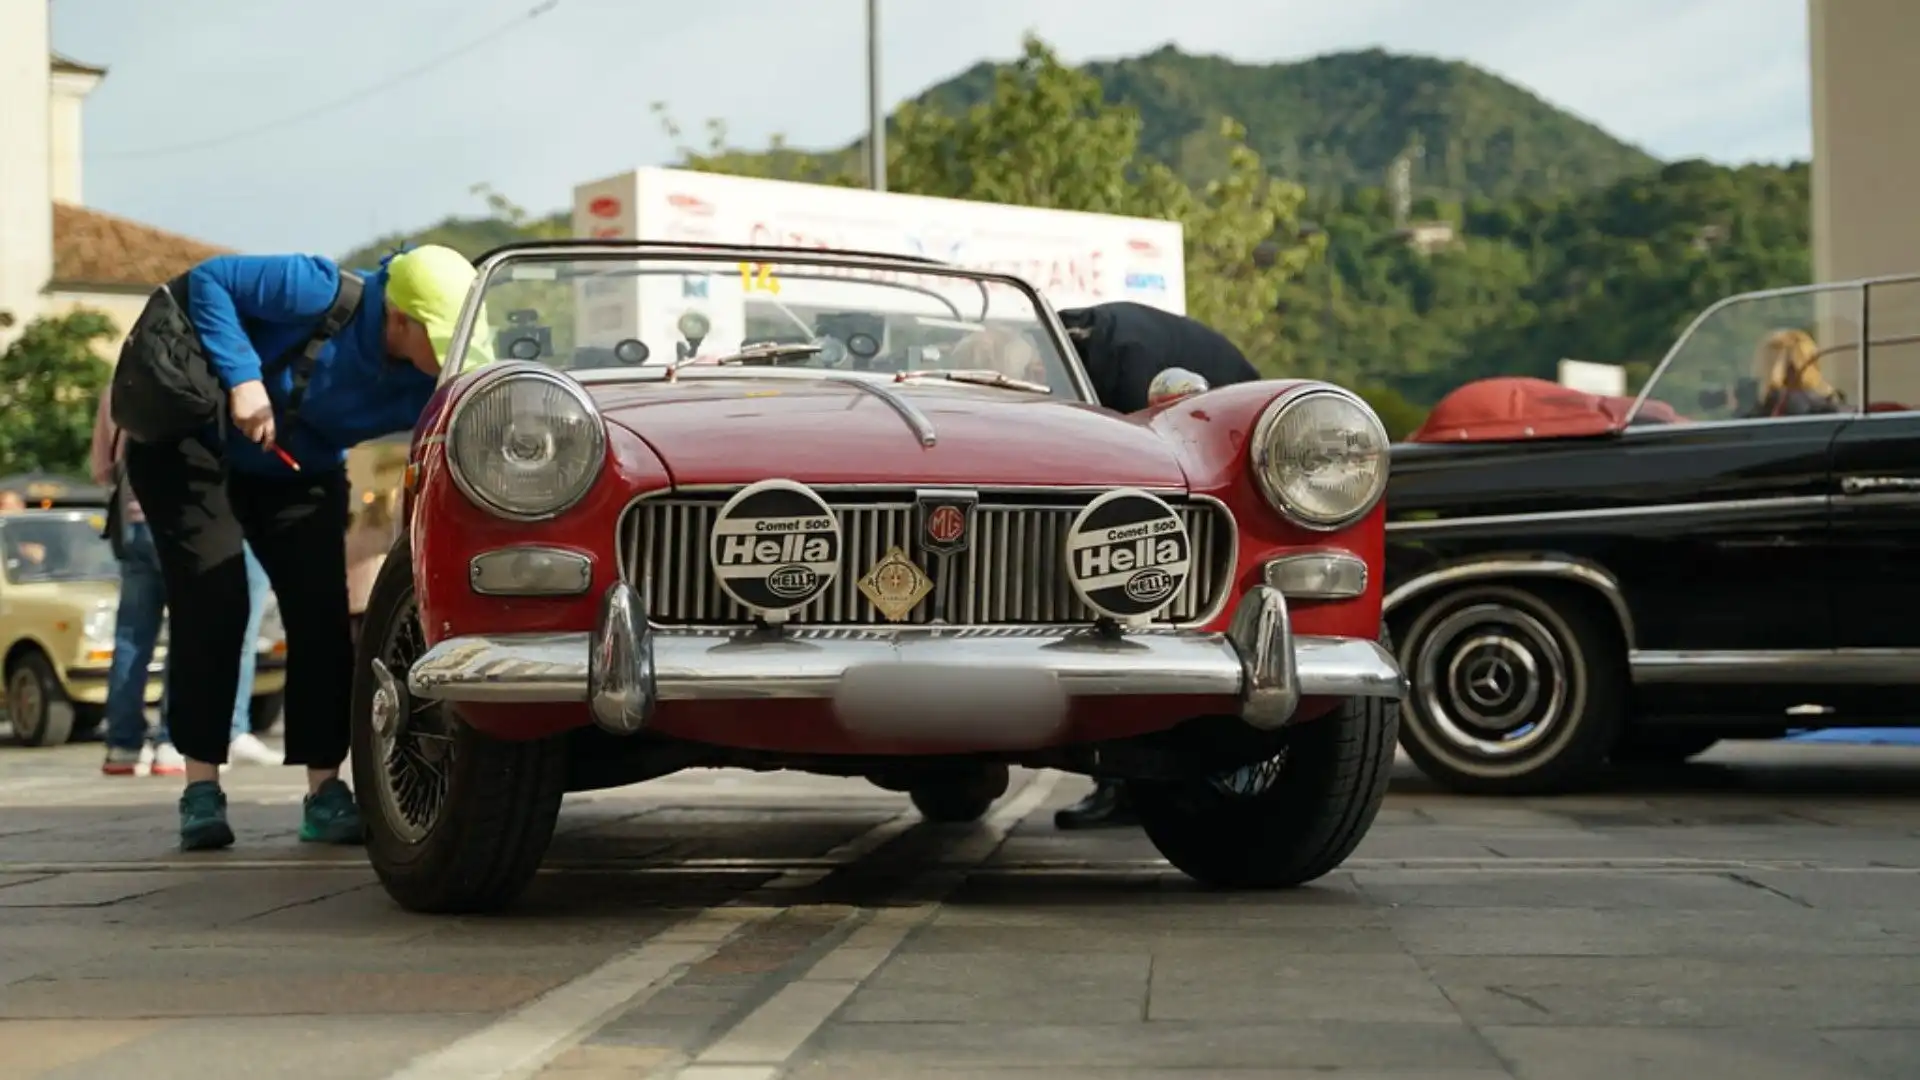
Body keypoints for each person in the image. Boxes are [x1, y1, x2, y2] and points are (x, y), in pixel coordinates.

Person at [118, 244, 477, 850]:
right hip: (193, 444)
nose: (440, 363)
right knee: (217, 599)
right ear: (400, 319)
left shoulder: (435, 378)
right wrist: (244, 379)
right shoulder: (317, 287)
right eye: (434, 343)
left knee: (321, 619)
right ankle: (201, 787)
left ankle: (324, 790)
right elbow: (208, 282)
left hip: (295, 466)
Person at [1051, 301, 1265, 829]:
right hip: (1225, 424)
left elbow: (1132, 463)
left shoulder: (1121, 354)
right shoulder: (1101, 335)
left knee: (1126, 589)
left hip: (1218, 448)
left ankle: (1124, 782)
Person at [90, 384, 282, 776]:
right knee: (189, 628)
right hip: (188, 521)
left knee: (132, 637)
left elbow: (102, 470)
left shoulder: (118, 387)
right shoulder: (202, 374)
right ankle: (171, 740)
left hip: (133, 527)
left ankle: (122, 745)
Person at [1056, 300, 1262, 415]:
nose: (1036, 367)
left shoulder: (1125, 352)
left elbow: (1135, 433)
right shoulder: (1082, 333)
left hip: (1231, 396)